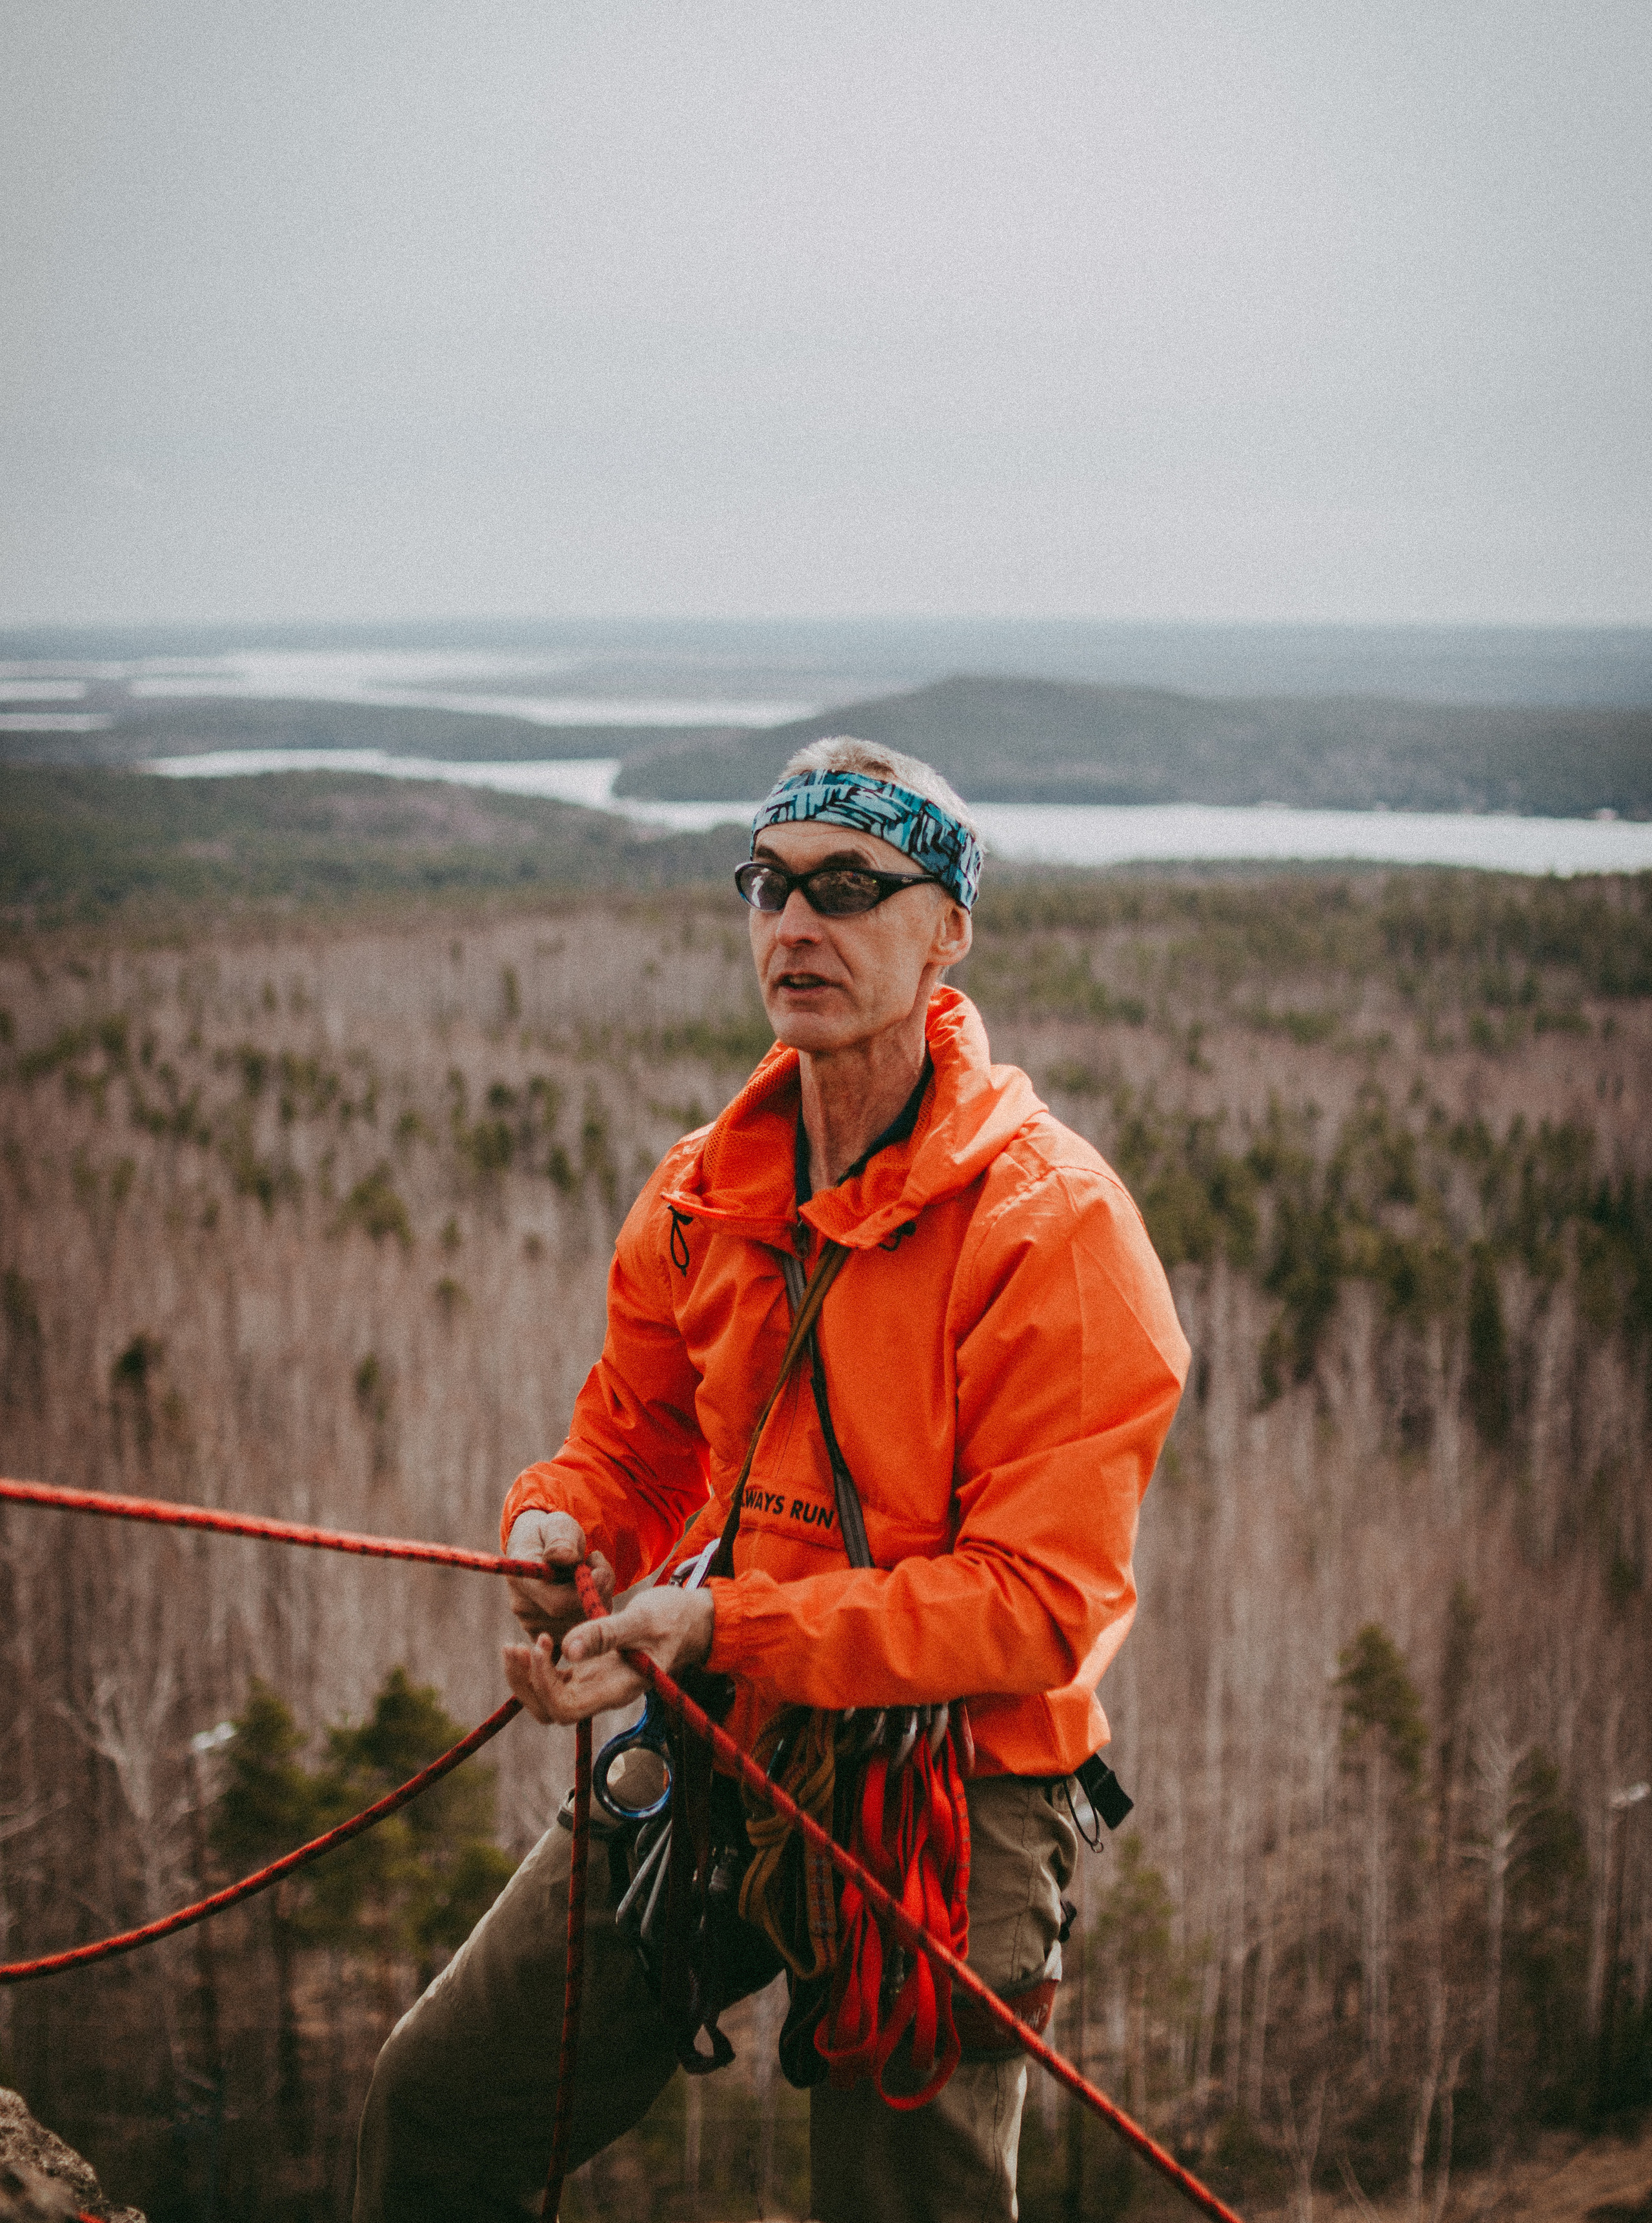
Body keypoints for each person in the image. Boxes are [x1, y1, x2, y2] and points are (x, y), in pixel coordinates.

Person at [354, 738, 1189, 2223]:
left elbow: (1039, 1609)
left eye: (849, 887)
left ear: (947, 931)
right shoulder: (706, 1190)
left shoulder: (1052, 1230)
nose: (794, 924)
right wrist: (561, 1529)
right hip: (723, 1733)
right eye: (768, 884)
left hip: (954, 1788)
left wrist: (719, 1626)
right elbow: (633, 1436)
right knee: (439, 2109)